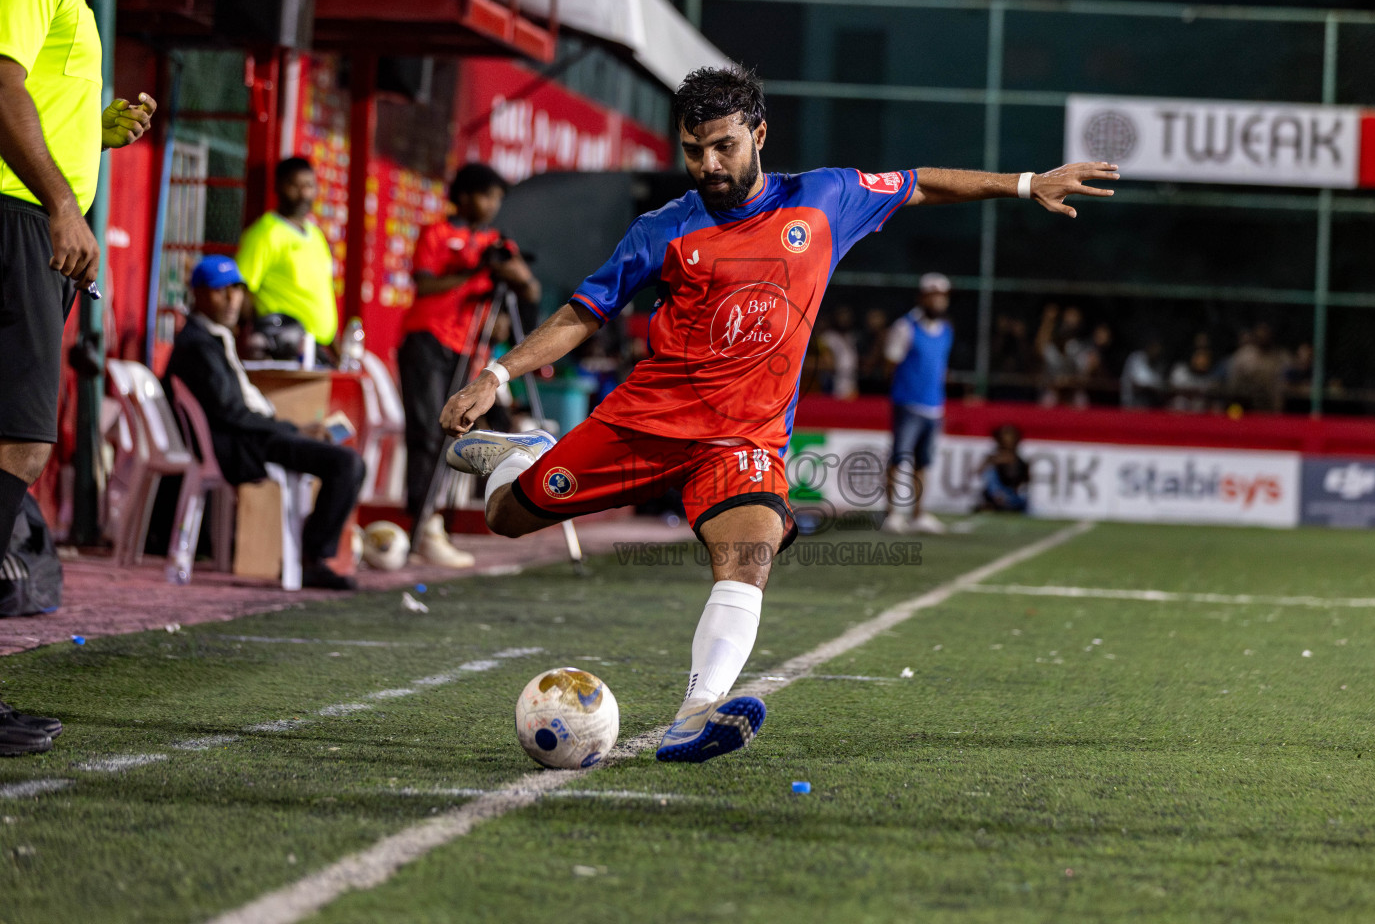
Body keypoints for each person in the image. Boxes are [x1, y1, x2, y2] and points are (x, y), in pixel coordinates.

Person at [434, 66, 1117, 764]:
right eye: (694, 149)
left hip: (743, 441)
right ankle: (525, 456)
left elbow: (920, 183)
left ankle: (696, 711)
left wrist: (1028, 184)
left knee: (748, 556)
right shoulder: (662, 229)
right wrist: (495, 375)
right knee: (507, 516)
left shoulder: (826, 199)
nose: (708, 164)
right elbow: (583, 313)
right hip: (646, 424)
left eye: (724, 146)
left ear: (759, 134)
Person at [0, 0, 158, 755]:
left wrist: (91, 138)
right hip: (19, 223)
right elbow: (0, 83)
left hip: (27, 220)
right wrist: (64, 202)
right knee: (16, 446)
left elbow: (30, 98)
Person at [166, 256, 364, 590]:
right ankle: (313, 558)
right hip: (242, 444)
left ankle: (311, 555)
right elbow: (231, 413)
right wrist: (291, 429)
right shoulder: (197, 345)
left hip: (253, 435)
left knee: (343, 456)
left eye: (237, 290)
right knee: (347, 464)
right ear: (198, 294)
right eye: (221, 291)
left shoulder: (214, 338)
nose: (232, 300)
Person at [398, 163, 538, 567]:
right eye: (485, 195)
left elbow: (530, 289)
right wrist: (476, 270)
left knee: (503, 429)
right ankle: (423, 526)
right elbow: (425, 285)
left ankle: (503, 510)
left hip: (468, 351)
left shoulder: (496, 241)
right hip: (426, 341)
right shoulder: (437, 233)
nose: (492, 205)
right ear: (462, 196)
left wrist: (513, 272)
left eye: (497, 198)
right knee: (426, 434)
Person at [236, 156, 338, 354]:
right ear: (279, 186)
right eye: (295, 185)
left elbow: (321, 296)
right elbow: (241, 289)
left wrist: (335, 348)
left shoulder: (316, 235)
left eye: (309, 185)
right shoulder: (265, 233)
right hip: (283, 347)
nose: (303, 193)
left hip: (317, 349)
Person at [881, 273, 955, 535]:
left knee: (923, 462)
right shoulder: (905, 326)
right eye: (933, 295)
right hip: (908, 403)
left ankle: (918, 513)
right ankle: (891, 513)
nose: (938, 301)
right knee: (899, 458)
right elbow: (891, 362)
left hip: (934, 406)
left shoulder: (946, 330)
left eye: (942, 296)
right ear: (922, 297)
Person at [976, 423, 1029, 512]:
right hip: (996, 496)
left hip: (1014, 497)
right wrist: (992, 462)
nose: (1007, 441)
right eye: (1004, 437)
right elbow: (979, 472)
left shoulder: (1021, 461)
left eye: (1010, 437)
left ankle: (1003, 505)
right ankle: (995, 503)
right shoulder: (992, 458)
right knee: (990, 472)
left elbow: (1025, 483)